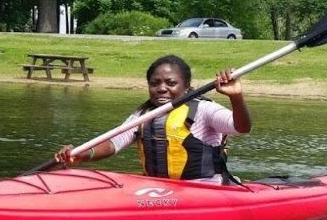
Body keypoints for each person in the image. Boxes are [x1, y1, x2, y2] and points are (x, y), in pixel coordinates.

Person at [54, 55, 252, 184]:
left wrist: (235, 97)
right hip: (158, 190)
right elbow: (113, 143)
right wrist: (80, 154)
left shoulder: (203, 109)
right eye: (155, 83)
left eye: (171, 83)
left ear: (187, 86)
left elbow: (241, 127)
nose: (162, 88)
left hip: (206, 191)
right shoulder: (143, 115)